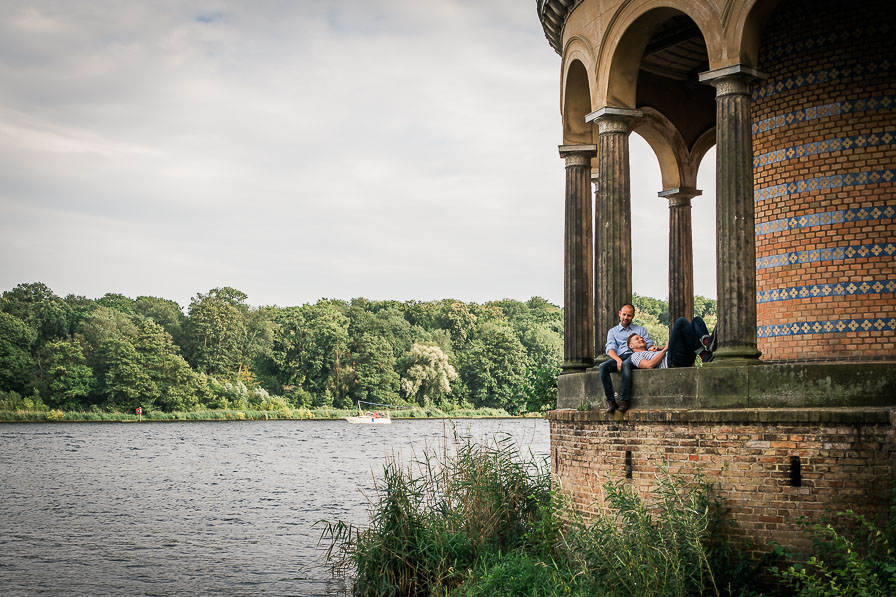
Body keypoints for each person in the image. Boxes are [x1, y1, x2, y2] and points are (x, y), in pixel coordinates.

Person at [599, 303, 654, 414]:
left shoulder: (640, 330)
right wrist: (618, 360)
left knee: (626, 364)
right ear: (620, 314)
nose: (626, 318)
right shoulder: (613, 332)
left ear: (633, 316)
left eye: (629, 315)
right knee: (603, 366)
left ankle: (624, 400)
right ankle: (611, 401)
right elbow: (610, 349)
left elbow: (649, 344)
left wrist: (653, 348)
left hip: (636, 355)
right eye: (624, 314)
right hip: (620, 356)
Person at [627, 316, 715, 370]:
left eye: (641, 337)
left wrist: (658, 348)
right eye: (637, 339)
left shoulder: (649, 350)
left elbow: (667, 347)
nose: (641, 338)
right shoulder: (634, 356)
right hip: (672, 361)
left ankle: (708, 343)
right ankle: (703, 354)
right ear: (631, 346)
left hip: (683, 357)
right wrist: (664, 350)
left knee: (696, 320)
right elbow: (649, 365)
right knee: (681, 321)